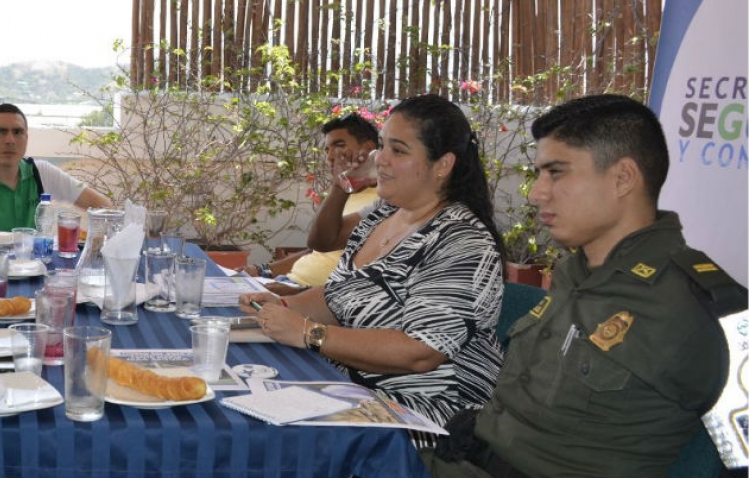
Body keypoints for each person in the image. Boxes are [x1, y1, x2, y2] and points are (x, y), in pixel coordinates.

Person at [424, 94, 746, 478]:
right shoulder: (575, 271)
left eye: (556, 172)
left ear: (623, 178)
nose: (536, 193)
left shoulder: (703, 308)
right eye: (539, 174)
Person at [239, 94, 505, 430]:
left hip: (428, 414)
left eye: (399, 150)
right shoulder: (384, 214)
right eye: (382, 146)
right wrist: (283, 304)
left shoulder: (462, 241)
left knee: (268, 441)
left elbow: (421, 351)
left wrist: (309, 333)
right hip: (352, 390)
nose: (381, 159)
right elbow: (338, 296)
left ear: (443, 165)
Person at [0, 102, 114, 272]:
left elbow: (104, 207)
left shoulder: (40, 171)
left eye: (18, 132)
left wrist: (94, 242)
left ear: (26, 138)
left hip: (31, 270)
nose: (10, 140)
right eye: (0, 132)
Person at [244, 113, 382, 295]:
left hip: (314, 297)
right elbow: (317, 249)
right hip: (289, 283)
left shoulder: (385, 201)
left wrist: (299, 293)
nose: (331, 156)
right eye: (327, 150)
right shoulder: (345, 195)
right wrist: (262, 270)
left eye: (339, 146)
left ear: (369, 149)